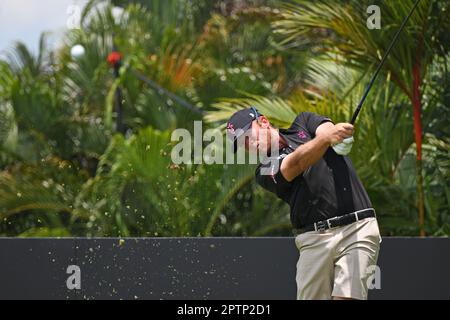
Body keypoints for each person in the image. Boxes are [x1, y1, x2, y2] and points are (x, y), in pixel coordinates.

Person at [226, 107, 381, 300]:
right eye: (242, 143)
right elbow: (295, 164)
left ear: (263, 122)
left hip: (358, 229)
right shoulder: (264, 170)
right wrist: (326, 140)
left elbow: (326, 130)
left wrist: (336, 134)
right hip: (314, 240)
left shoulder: (304, 122)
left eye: (247, 136)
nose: (248, 144)